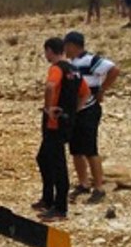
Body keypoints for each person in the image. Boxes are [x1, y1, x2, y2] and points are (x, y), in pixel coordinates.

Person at [35, 37, 89, 222]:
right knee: (43, 158)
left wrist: (49, 108)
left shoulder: (56, 69)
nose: (46, 55)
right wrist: (75, 109)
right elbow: (86, 93)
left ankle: (60, 208)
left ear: (50, 50)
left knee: (57, 163)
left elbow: (50, 86)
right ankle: (48, 198)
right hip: (67, 120)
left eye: (46, 52)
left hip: (55, 123)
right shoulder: (74, 69)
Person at [63, 31, 119, 205]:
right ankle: (83, 183)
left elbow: (114, 69)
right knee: (76, 150)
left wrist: (102, 90)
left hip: (88, 109)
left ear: (73, 45)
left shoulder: (91, 60)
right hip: (75, 111)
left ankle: (99, 187)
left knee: (90, 149)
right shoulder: (71, 64)